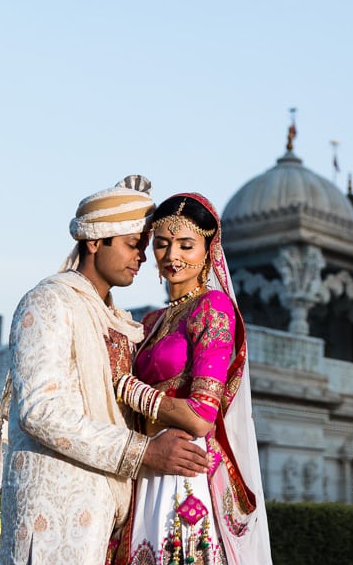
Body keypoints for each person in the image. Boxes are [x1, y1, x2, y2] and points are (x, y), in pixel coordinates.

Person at [0, 176, 211, 565]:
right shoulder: (49, 301)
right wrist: (143, 453)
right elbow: (40, 411)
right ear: (95, 241)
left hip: (109, 513)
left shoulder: (119, 322)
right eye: (131, 245)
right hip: (53, 515)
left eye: (143, 247)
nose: (142, 257)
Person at [112, 193, 272, 565]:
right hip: (146, 463)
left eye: (186, 245)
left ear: (208, 250)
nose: (172, 256)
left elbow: (202, 415)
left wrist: (131, 390)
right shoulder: (149, 322)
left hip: (186, 472)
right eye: (162, 244)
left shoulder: (213, 308)